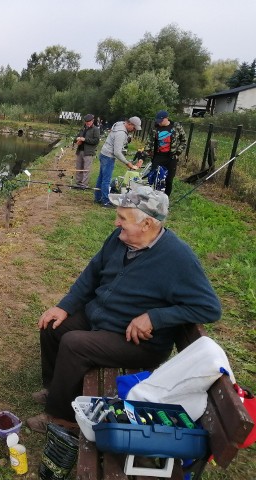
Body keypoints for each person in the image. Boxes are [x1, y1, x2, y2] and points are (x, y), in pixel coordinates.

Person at [27, 183, 221, 433]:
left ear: (147, 224)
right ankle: (56, 391)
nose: (116, 223)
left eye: (122, 218)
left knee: (74, 344)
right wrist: (64, 306)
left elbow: (210, 308)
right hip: (101, 317)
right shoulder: (119, 240)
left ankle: (62, 419)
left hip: (136, 342)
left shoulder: (178, 258)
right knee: (54, 326)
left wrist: (155, 317)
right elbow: (92, 273)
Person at [94, 117, 142, 207]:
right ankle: (105, 201)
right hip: (108, 156)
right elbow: (117, 152)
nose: (134, 130)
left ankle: (97, 198)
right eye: (134, 128)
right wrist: (128, 163)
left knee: (101, 177)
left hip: (104, 153)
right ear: (129, 124)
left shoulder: (119, 124)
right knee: (106, 180)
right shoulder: (121, 133)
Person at [143, 110, 187, 196]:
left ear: (166, 118)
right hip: (158, 156)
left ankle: (165, 198)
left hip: (171, 157)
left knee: (169, 180)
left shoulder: (176, 127)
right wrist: (146, 153)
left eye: (161, 121)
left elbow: (184, 141)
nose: (159, 123)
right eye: (158, 121)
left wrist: (178, 153)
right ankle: (153, 196)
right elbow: (149, 141)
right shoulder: (155, 128)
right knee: (154, 176)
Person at [73, 114, 100, 189]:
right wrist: (77, 139)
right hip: (80, 151)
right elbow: (75, 138)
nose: (87, 123)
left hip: (88, 152)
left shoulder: (95, 129)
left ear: (92, 121)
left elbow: (96, 141)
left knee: (86, 169)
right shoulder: (83, 128)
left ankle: (84, 185)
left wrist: (85, 140)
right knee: (79, 168)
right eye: (86, 121)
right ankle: (78, 183)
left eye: (89, 121)